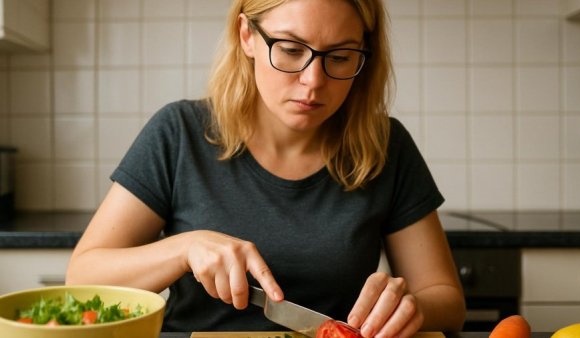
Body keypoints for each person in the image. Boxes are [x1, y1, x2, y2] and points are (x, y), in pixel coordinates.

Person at [66, 0, 466, 337]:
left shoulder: (386, 145)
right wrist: (183, 249)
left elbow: (446, 298)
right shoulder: (179, 133)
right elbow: (82, 278)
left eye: (341, 57)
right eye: (291, 50)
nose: (313, 81)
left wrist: (412, 308)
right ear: (247, 36)